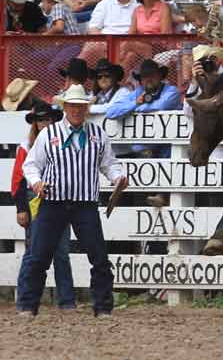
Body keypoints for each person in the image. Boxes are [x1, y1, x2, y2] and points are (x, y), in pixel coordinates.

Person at [20, 84, 128, 317]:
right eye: (72, 106)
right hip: (53, 201)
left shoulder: (98, 134)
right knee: (39, 256)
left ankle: (103, 307)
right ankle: (28, 305)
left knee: (99, 257)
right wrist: (36, 182)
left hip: (84, 203)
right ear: (65, 107)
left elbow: (109, 164)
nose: (77, 110)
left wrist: (118, 177)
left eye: (80, 106)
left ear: (86, 108)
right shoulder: (49, 134)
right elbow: (30, 166)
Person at [12, 102, 75, 312]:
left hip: (60, 198)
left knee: (61, 252)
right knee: (34, 251)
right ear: (35, 123)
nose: (45, 123)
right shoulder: (25, 146)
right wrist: (21, 208)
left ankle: (66, 301)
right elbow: (18, 180)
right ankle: (25, 298)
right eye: (41, 120)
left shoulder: (64, 142)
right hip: (35, 200)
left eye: (49, 119)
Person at [122, 0, 173, 78]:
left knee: (128, 45)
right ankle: (121, 85)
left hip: (159, 47)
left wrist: (141, 40)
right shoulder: (137, 10)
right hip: (141, 46)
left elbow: (165, 36)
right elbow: (130, 34)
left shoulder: (164, 7)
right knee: (130, 56)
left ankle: (117, 75)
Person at [106, 59, 182, 121]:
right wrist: (135, 103)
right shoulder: (138, 92)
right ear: (141, 80)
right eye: (145, 76)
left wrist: (134, 108)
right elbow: (111, 113)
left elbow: (161, 106)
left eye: (152, 74)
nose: (148, 79)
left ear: (160, 75)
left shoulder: (172, 91)